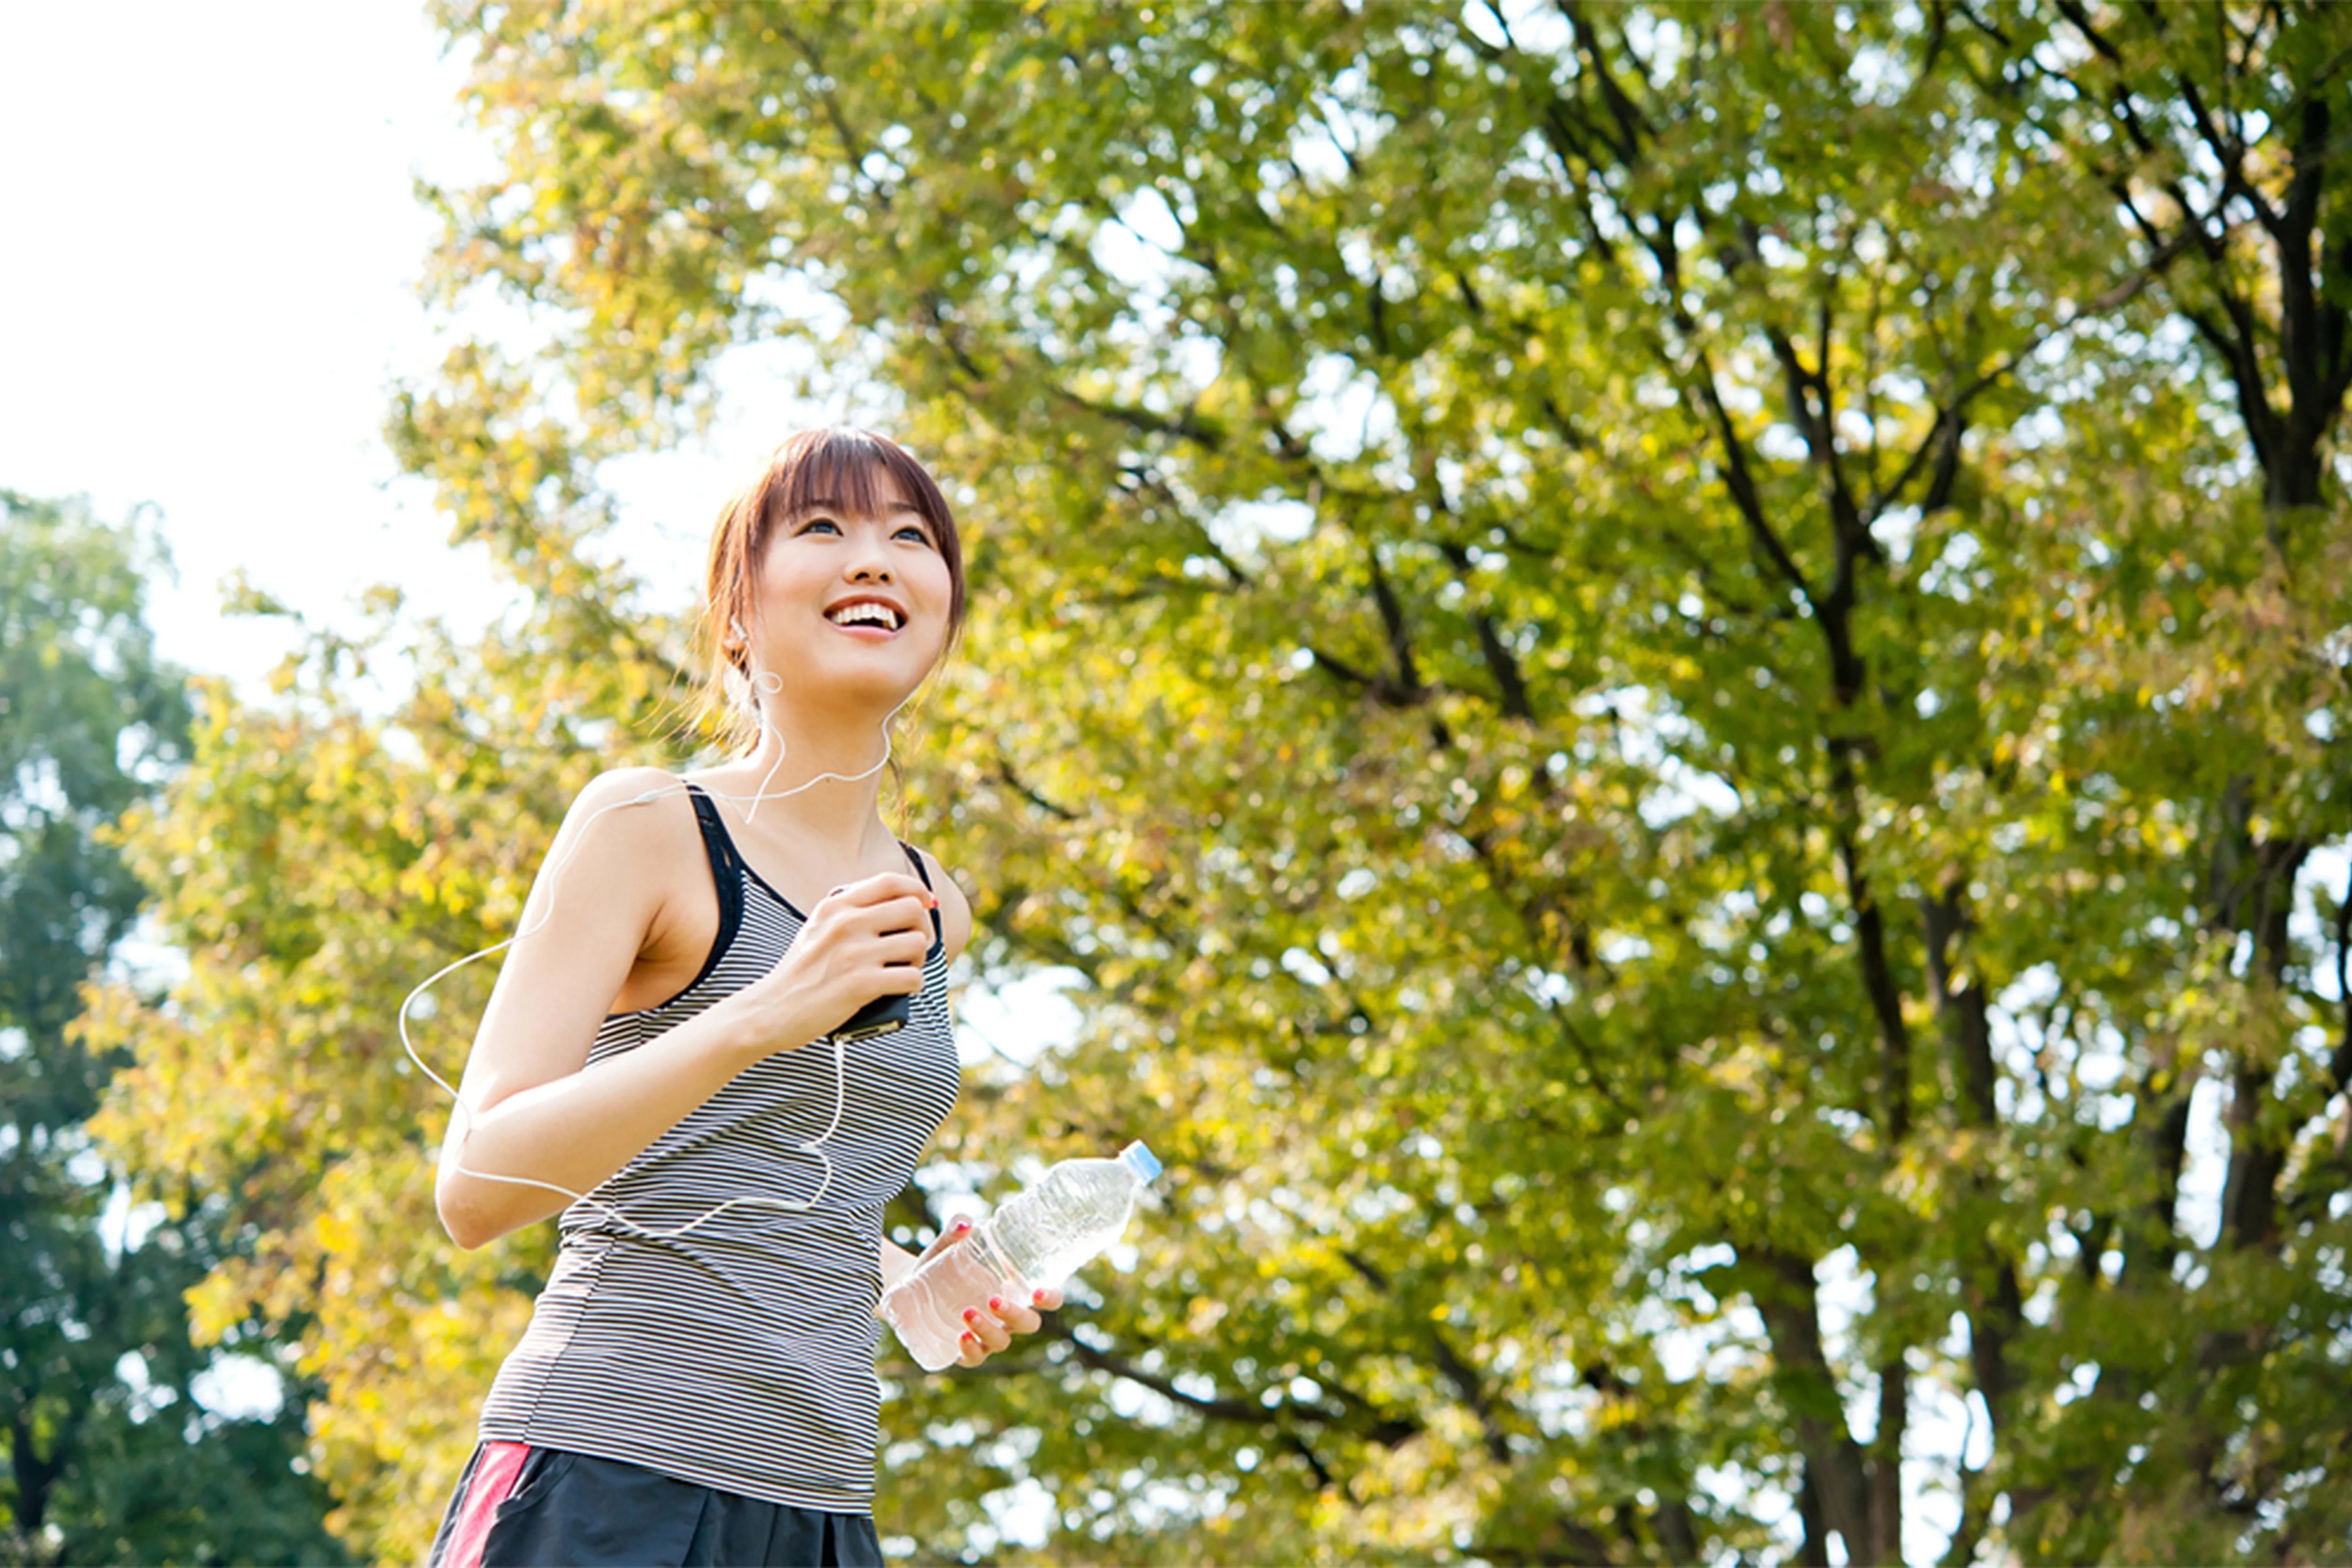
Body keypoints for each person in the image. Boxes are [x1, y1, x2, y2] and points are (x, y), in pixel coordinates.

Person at [420, 429, 1053, 1568]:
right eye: (823, 529)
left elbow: (768, 1177)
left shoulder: (931, 903)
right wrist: (764, 1012)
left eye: (911, 537)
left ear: (944, 612)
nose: (875, 560)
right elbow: (475, 1187)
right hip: (603, 1473)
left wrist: (915, 1283)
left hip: (820, 1505)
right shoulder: (651, 827)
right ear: (734, 613)